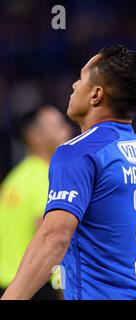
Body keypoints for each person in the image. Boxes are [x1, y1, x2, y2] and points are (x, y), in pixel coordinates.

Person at [1, 45, 136, 300]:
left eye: (80, 79)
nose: (73, 86)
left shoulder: (77, 152)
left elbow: (54, 237)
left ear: (96, 95)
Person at [0, 105, 71, 299]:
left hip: (8, 286)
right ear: (35, 137)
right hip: (36, 288)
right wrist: (63, 288)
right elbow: (50, 237)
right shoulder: (48, 177)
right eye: (57, 126)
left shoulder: (14, 179)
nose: (67, 129)